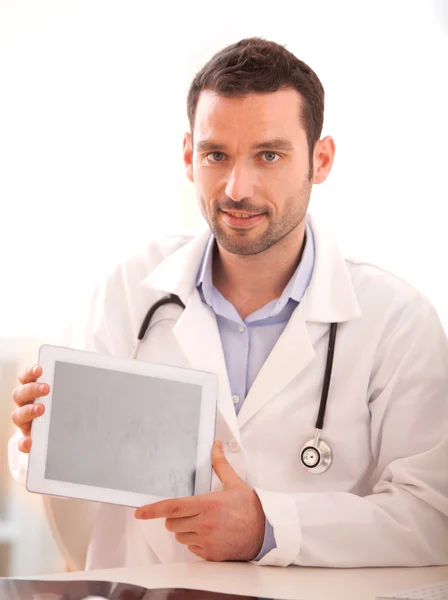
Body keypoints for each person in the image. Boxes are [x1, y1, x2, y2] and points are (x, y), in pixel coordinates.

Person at [9, 37, 448, 569]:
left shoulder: (397, 322)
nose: (238, 188)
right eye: (217, 155)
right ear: (190, 157)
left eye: (269, 155)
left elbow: (432, 517)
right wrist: (38, 438)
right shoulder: (130, 289)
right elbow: (50, 476)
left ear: (321, 159)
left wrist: (270, 527)